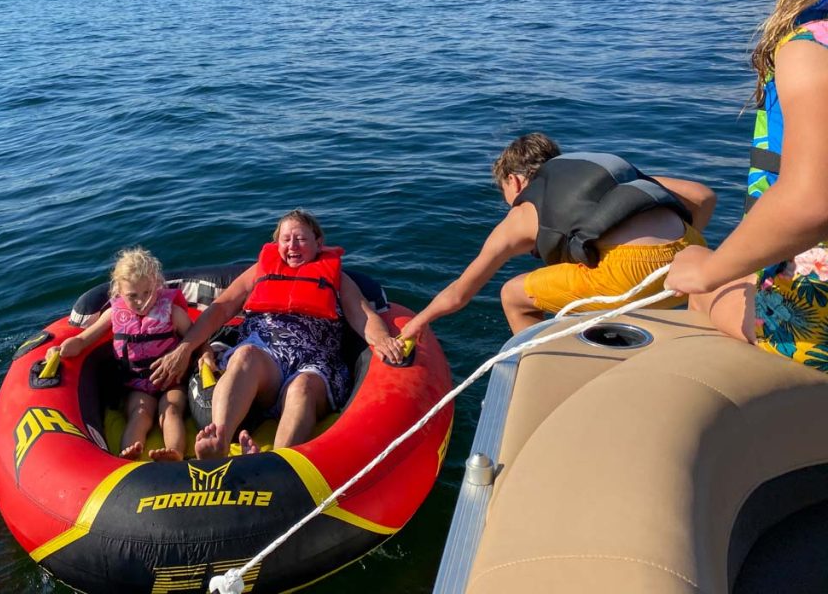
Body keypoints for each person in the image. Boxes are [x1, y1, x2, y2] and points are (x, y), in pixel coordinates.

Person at [665, 0, 828, 372]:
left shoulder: (810, 48)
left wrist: (709, 271)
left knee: (694, 281)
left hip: (815, 320)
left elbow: (810, 202)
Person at [403, 133, 717, 337]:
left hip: (629, 275)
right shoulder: (601, 171)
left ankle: (541, 375)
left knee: (512, 295)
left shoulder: (523, 212)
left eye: (505, 194)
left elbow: (459, 293)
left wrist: (415, 325)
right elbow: (703, 196)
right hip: (692, 263)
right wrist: (670, 254)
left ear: (514, 182)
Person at [148, 209, 404, 459]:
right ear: (276, 243)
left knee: (302, 387)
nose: (292, 245)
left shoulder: (338, 279)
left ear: (318, 243)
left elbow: (363, 317)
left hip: (314, 363)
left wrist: (383, 340)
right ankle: (220, 442)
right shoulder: (260, 271)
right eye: (286, 239)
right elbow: (221, 308)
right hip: (265, 357)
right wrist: (186, 347)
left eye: (301, 238)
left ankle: (278, 463)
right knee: (245, 354)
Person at [47, 247, 192, 461]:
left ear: (157, 285)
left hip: (172, 381)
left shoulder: (172, 312)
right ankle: (130, 454)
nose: (141, 301)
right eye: (133, 296)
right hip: (138, 385)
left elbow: (195, 338)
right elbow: (83, 340)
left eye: (147, 293)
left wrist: (204, 357)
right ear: (119, 292)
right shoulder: (114, 314)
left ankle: (175, 452)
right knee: (139, 415)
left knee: (170, 411)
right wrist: (59, 350)